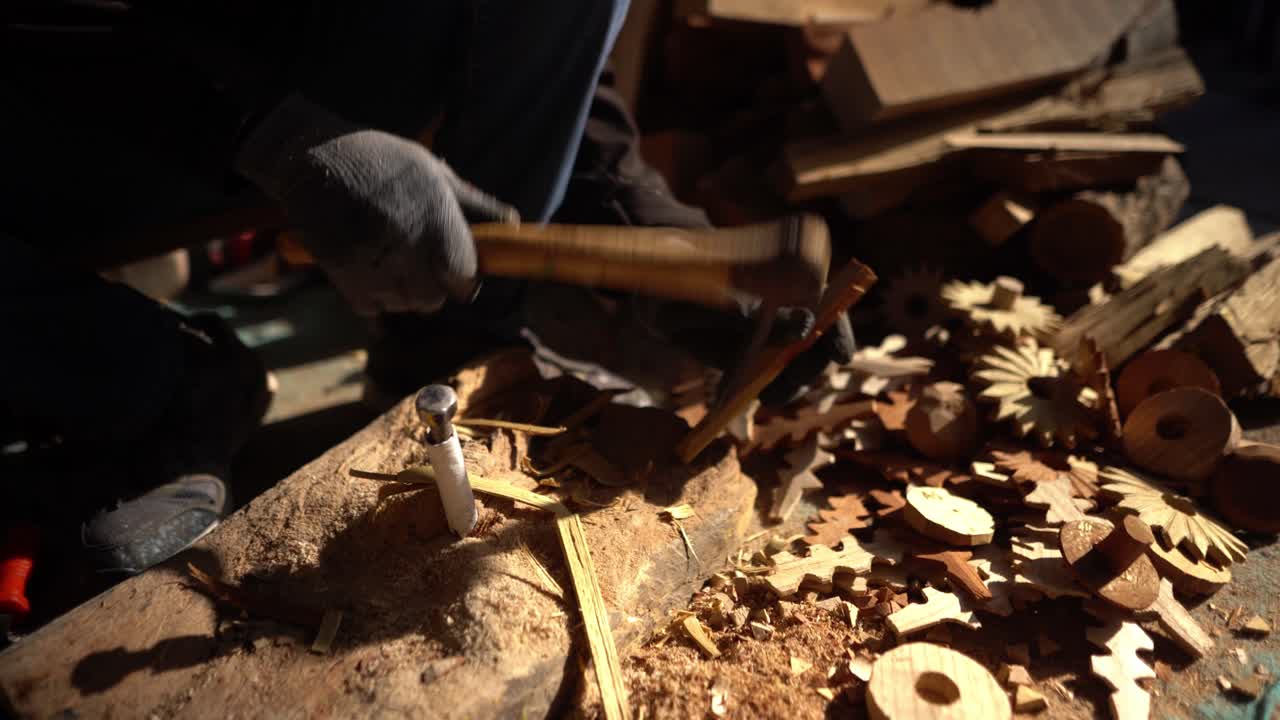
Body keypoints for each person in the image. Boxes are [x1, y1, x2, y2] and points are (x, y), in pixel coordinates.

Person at [0, 1, 854, 575]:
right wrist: (271, 131)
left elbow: (549, 39)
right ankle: (153, 382)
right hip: (74, 87)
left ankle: (451, 340)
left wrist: (646, 228)